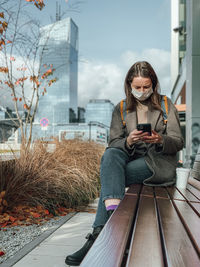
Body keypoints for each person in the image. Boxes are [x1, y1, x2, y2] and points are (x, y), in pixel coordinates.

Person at [65, 61, 184, 266]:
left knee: (110, 177)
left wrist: (160, 139)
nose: (142, 91)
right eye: (137, 87)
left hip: (157, 163)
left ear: (153, 84)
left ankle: (98, 235)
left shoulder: (165, 104)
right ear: (129, 85)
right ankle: (114, 223)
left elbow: (178, 141)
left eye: (146, 86)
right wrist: (129, 140)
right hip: (130, 158)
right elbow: (114, 143)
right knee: (110, 156)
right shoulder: (121, 108)